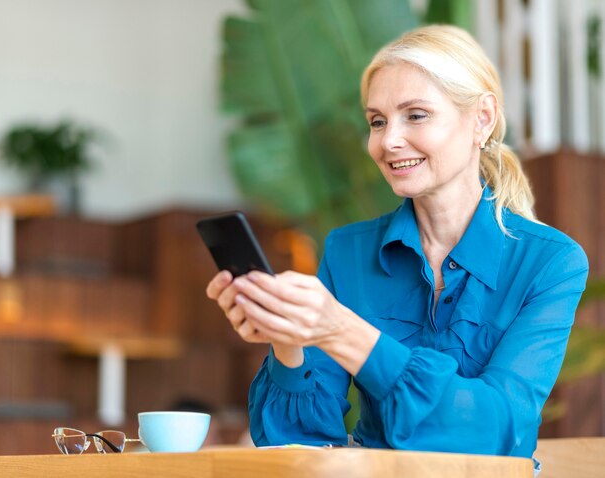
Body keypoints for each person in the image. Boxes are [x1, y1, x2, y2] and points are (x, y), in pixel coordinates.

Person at [205, 24, 588, 460]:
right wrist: (287, 338)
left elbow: (494, 429)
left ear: (481, 118)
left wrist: (342, 331)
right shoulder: (346, 251)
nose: (388, 141)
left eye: (416, 115)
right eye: (377, 121)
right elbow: (301, 444)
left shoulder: (550, 262)